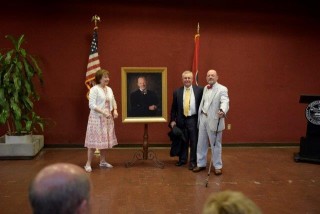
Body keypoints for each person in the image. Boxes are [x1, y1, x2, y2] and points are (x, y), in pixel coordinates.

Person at [193, 69, 229, 175]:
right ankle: (201, 163)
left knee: (215, 144)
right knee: (201, 143)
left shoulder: (222, 89)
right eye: (208, 75)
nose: (210, 77)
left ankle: (218, 166)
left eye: (212, 75)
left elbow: (225, 101)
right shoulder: (205, 88)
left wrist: (222, 110)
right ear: (206, 77)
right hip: (203, 118)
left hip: (214, 119)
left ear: (217, 77)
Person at [84, 69, 118, 173]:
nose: (107, 79)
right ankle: (88, 164)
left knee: (104, 140)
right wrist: (104, 113)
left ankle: (102, 161)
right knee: (93, 142)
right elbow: (92, 105)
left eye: (108, 76)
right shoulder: (94, 89)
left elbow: (113, 100)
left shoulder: (109, 89)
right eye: (105, 77)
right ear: (99, 78)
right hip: (96, 118)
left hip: (107, 118)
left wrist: (115, 110)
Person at [169, 70, 203, 170]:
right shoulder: (177, 92)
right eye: (185, 78)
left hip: (193, 119)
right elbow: (173, 108)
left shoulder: (200, 90)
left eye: (189, 78)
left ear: (192, 79)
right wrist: (172, 120)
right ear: (182, 79)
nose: (187, 80)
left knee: (194, 141)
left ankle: (193, 162)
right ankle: (182, 160)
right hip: (181, 119)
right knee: (182, 140)